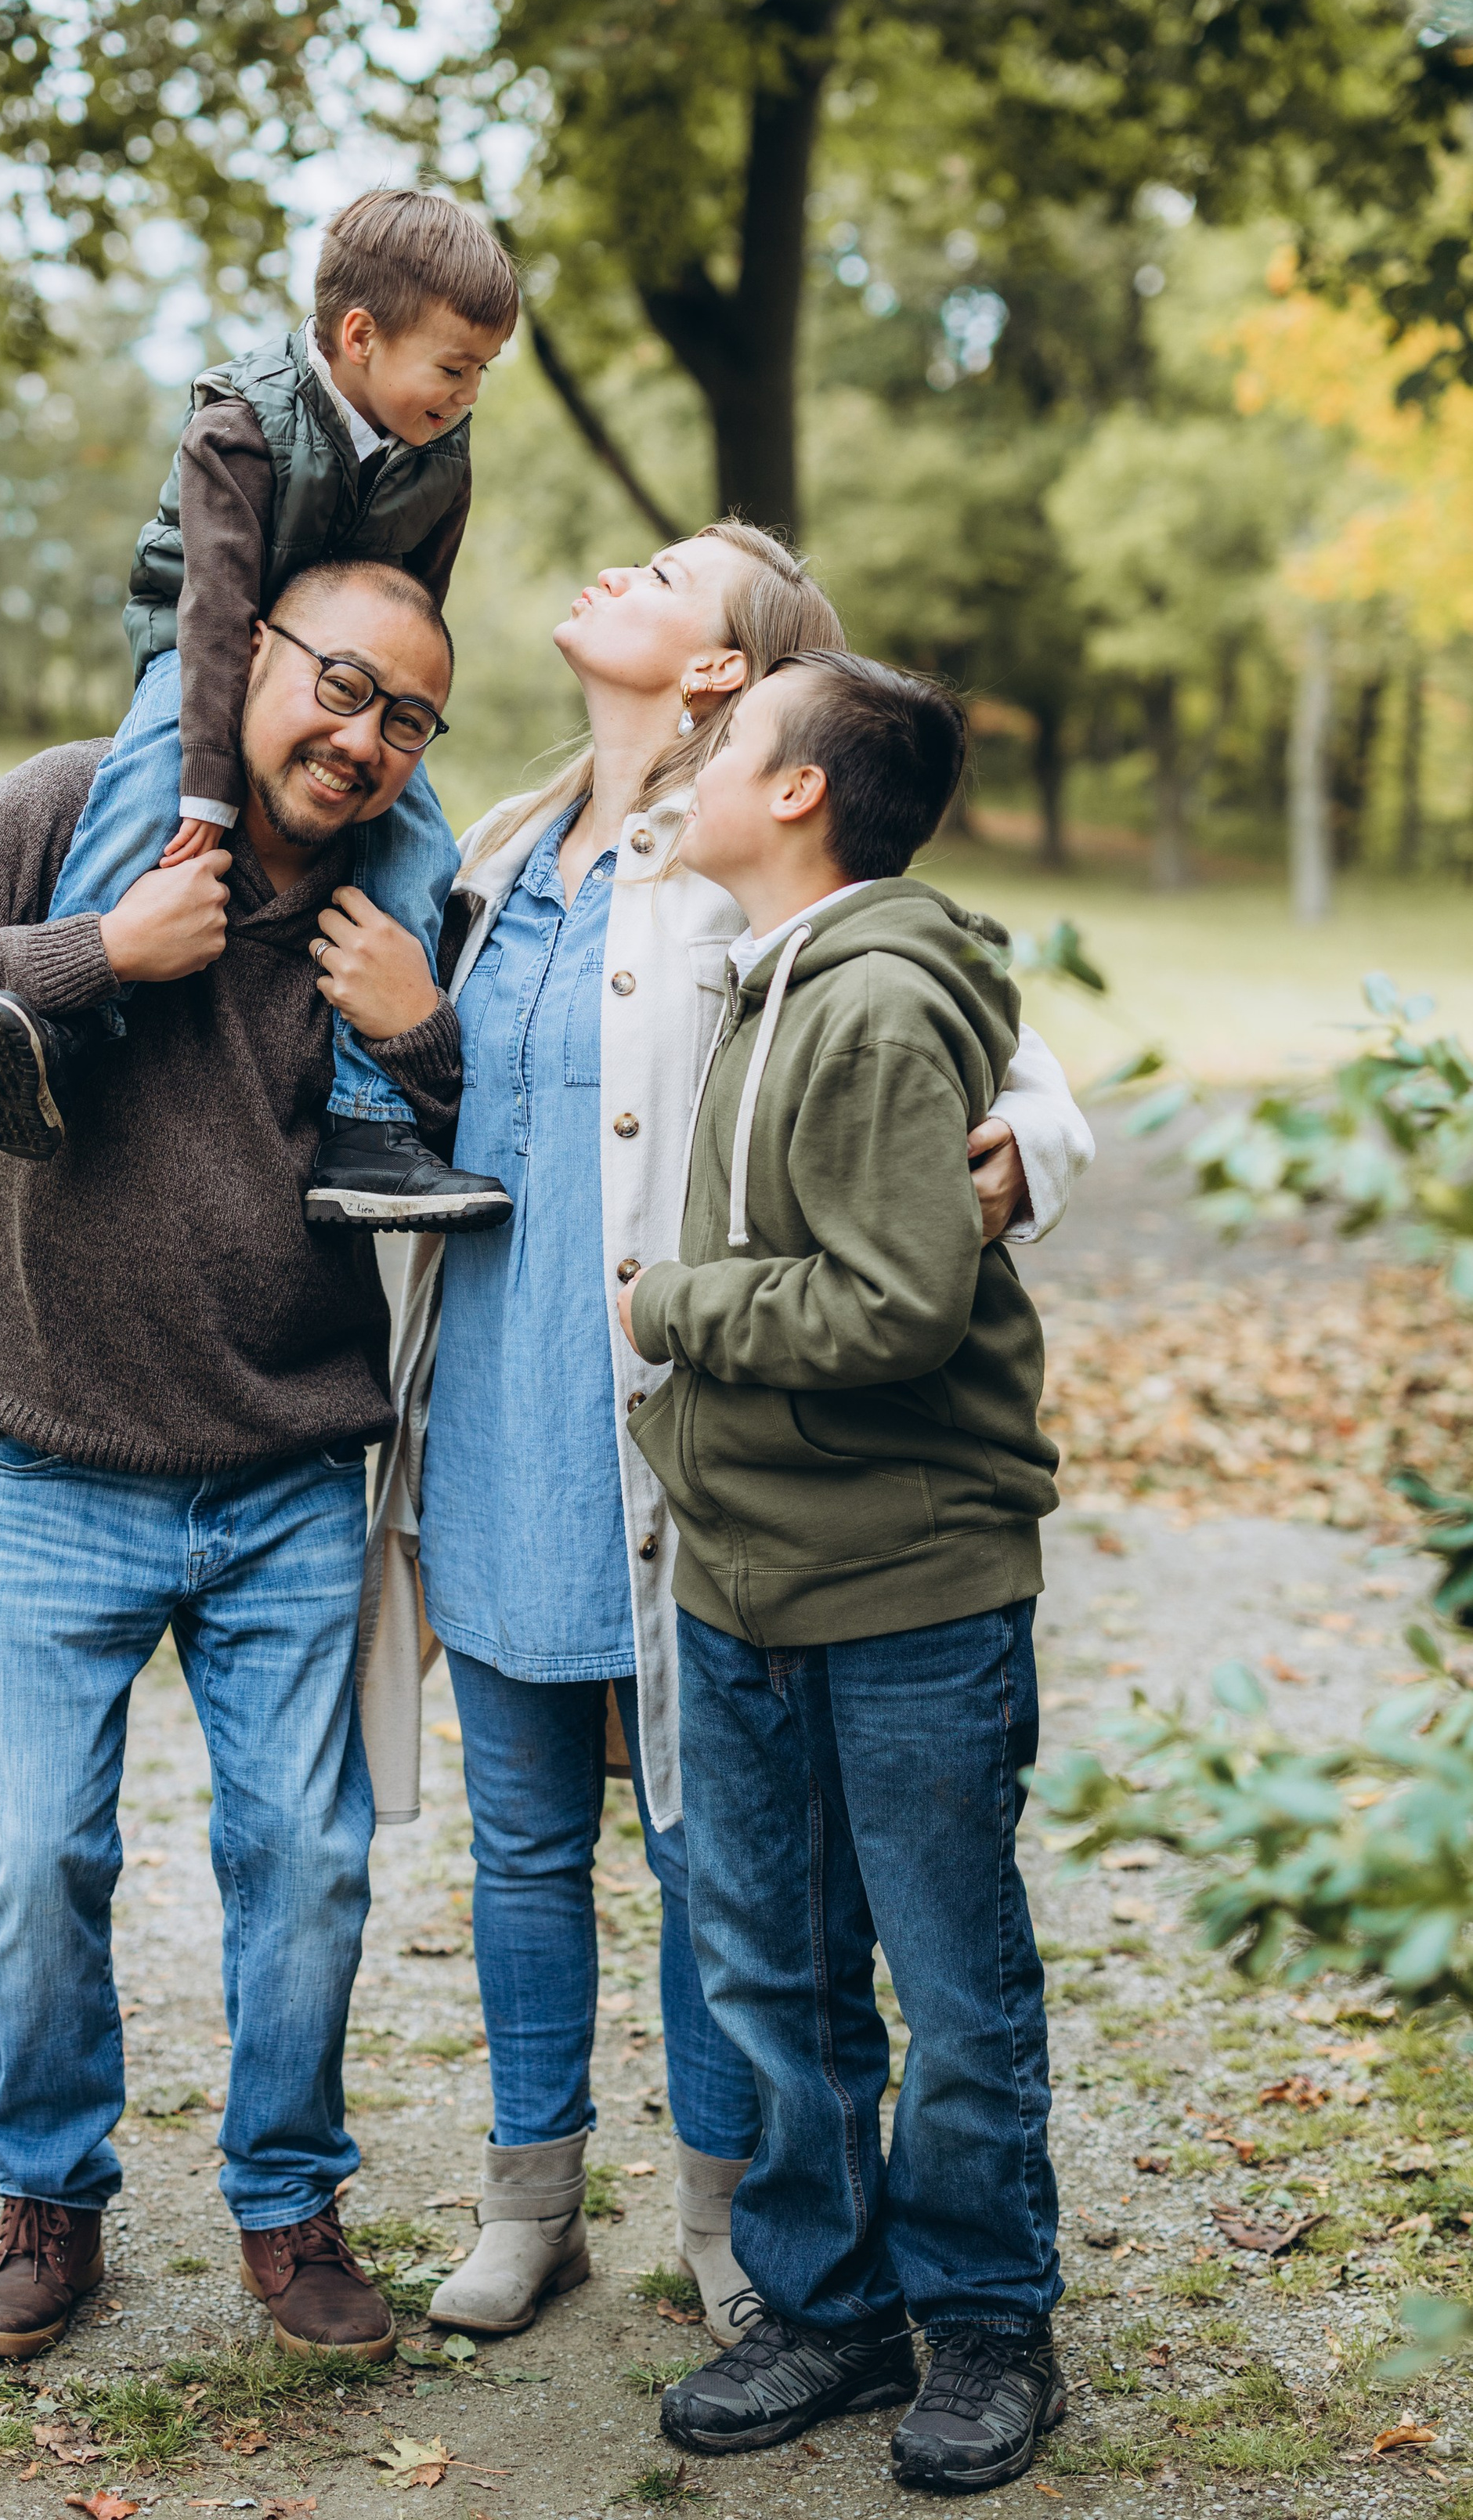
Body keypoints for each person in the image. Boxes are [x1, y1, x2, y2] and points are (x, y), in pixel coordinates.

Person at [355, 530, 1091, 2350]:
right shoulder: (503, 850)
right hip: (502, 1392)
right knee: (523, 1841)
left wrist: (1014, 1171)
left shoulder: (748, 867)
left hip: (681, 1417)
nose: (614, 565)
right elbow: (487, 1103)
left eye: (668, 570)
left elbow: (995, 1051)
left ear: (721, 677)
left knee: (712, 1852)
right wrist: (423, 1025)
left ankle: (731, 2207)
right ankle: (530, 2200)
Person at [0, 561, 469, 2367]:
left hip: (285, 1474)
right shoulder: (64, 811)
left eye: (407, 717)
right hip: (52, 1462)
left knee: (307, 1862)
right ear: (248, 654)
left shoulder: (400, 897)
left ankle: (289, 2201)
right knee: (30, 1855)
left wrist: (415, 1027)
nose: (364, 739)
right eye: (341, 684)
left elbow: (519, 1122)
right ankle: (46, 2202)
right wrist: (98, 949)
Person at [623, 650, 1066, 2494]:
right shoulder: (763, 979)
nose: (700, 758)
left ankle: (981, 2322)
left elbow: (893, 1305)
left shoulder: (871, 1003)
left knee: (950, 1984)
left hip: (904, 1584)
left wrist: (673, 1305)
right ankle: (821, 2302)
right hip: (743, 1574)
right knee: (777, 1970)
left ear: (797, 792)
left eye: (729, 742)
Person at [0, 186, 518, 1236]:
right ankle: (57, 1022)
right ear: (360, 335)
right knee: (149, 783)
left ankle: (366, 1122)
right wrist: (207, 802)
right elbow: (215, 617)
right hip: (202, 640)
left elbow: (414, 608)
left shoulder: (442, 450)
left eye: (483, 371)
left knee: (420, 838)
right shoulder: (241, 423)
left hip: (338, 675)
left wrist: (394, 723)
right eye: (455, 366)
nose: (469, 391)